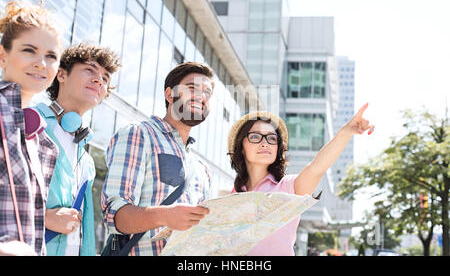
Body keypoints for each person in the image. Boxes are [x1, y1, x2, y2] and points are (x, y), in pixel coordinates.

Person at [227, 105, 374, 255]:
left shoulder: (287, 189)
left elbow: (317, 168)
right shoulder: (231, 197)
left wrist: (345, 132)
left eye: (272, 138)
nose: (265, 143)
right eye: (255, 137)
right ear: (241, 146)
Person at [101, 62, 214, 256]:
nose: (201, 96)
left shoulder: (201, 167)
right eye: (192, 88)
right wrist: (165, 216)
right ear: (170, 95)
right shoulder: (138, 134)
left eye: (207, 92)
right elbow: (115, 216)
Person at [33, 43, 121, 256]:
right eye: (90, 70)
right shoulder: (30, 123)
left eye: (105, 78)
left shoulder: (87, 159)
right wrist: (43, 218)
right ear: (61, 75)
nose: (99, 79)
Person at [0, 0, 62, 256]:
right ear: (3, 55)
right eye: (29, 50)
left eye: (51, 56)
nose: (41, 63)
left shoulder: (43, 139)